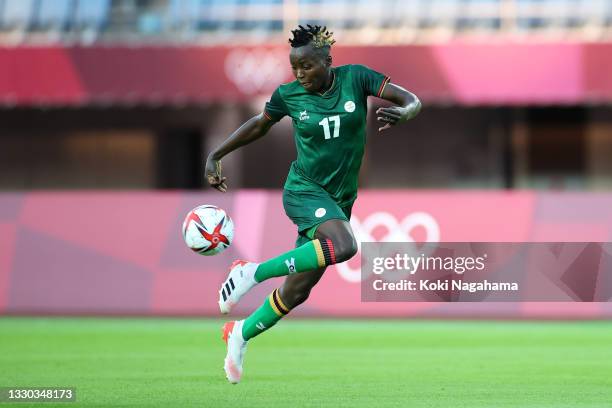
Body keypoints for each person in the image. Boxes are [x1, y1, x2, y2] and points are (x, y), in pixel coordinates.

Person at [205, 25, 421, 384]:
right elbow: (260, 125)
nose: (301, 74)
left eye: (307, 66)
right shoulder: (288, 96)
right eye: (295, 68)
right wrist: (216, 154)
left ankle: (240, 334)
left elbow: (411, 99)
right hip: (304, 190)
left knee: (297, 290)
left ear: (327, 60)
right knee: (345, 245)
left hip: (339, 199)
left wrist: (409, 112)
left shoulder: (357, 79)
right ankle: (250, 272)